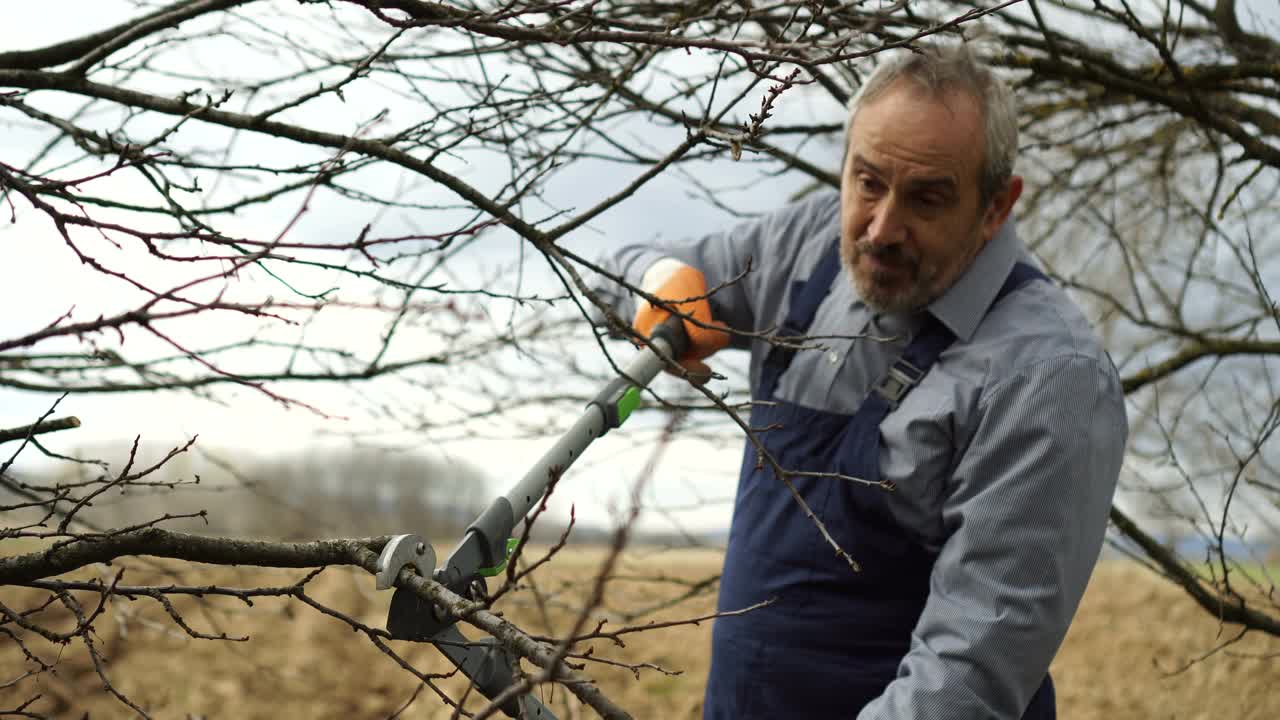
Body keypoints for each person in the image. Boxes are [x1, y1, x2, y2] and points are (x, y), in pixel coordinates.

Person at [599, 41, 1128, 719]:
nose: (881, 229)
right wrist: (658, 285)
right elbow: (612, 268)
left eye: (927, 199)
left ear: (997, 207)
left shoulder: (1048, 377)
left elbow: (966, 682)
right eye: (867, 180)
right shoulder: (809, 245)